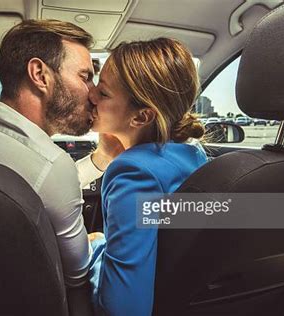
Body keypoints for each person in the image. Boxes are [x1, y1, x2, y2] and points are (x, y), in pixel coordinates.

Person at [0, 19, 112, 288]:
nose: (93, 94)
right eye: (85, 77)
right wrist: (97, 241)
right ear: (40, 75)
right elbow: (78, 274)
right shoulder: (52, 166)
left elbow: (39, 180)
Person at [87, 38, 208, 315]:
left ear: (142, 117)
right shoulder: (192, 154)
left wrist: (94, 250)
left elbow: (124, 308)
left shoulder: (133, 172)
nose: (91, 95)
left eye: (103, 93)